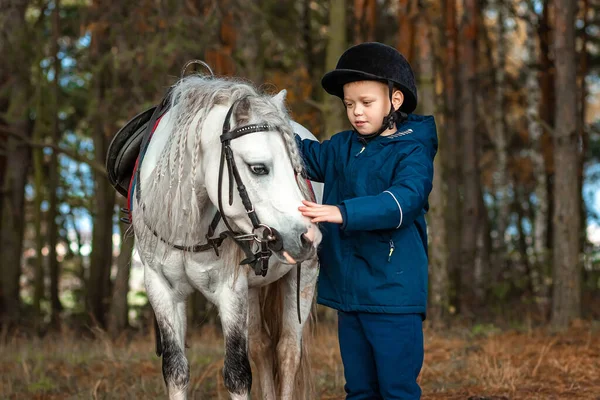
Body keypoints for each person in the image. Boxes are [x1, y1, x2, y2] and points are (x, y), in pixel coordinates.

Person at [296, 42, 437, 399]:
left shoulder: (413, 150)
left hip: (393, 296)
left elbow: (403, 202)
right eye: (349, 104)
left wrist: (342, 213)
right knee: (358, 390)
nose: (356, 112)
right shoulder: (341, 146)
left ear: (396, 101)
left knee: (396, 390)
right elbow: (301, 154)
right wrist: (263, 127)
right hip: (350, 297)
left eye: (367, 103)